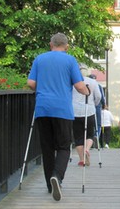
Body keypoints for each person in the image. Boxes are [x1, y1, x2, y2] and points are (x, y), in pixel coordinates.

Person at [27, 33, 89, 201]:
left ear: (50, 44)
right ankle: (57, 176)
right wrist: (87, 91)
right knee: (63, 146)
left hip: (43, 108)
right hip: (62, 109)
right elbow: (79, 86)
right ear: (66, 46)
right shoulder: (70, 61)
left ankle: (49, 184)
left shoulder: (39, 59)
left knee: (47, 148)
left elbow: (31, 83)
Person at [72, 64, 101, 167]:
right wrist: (95, 104)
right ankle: (87, 149)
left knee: (78, 136)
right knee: (90, 133)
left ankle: (81, 159)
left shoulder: (73, 82)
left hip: (75, 112)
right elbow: (98, 96)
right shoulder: (93, 82)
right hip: (89, 111)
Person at [88, 74, 106, 148]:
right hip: (97, 105)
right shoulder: (99, 86)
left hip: (88, 106)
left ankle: (90, 139)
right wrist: (104, 104)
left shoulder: (86, 85)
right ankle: (96, 136)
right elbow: (101, 96)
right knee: (98, 124)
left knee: (90, 124)